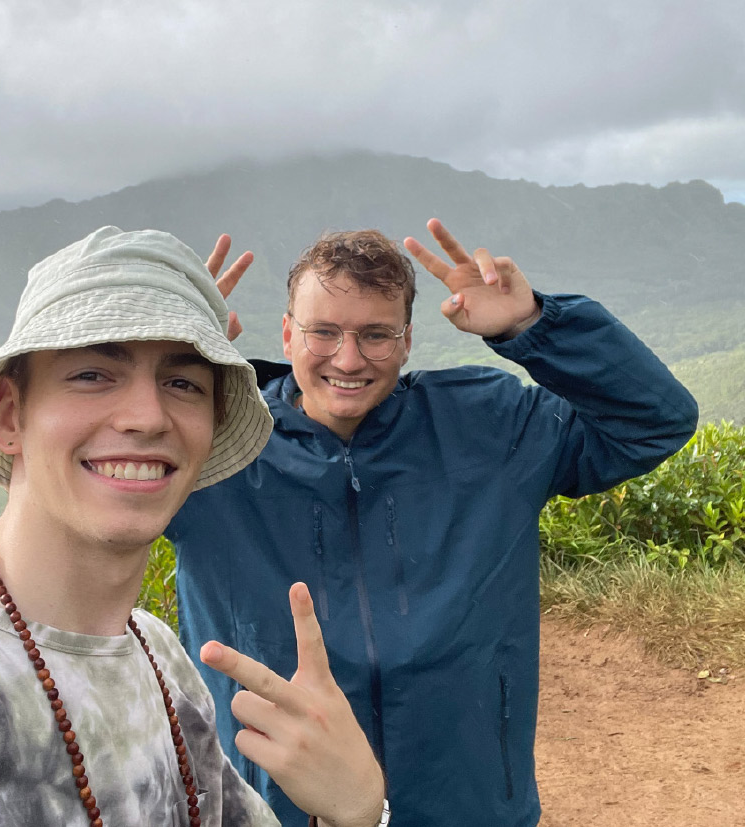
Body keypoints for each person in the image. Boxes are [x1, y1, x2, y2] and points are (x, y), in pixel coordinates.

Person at [0, 227, 390, 827]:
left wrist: (353, 814)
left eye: (182, 382)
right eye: (93, 374)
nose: (148, 416)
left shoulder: (164, 665)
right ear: (10, 415)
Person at [167, 221, 700, 826]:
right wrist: (165, 355)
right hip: (269, 806)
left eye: (376, 335)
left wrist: (530, 326)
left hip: (468, 800)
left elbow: (653, 421)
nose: (349, 358)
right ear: (288, 333)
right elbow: (79, 477)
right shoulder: (212, 447)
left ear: (408, 339)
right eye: (324, 332)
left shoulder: (489, 426)